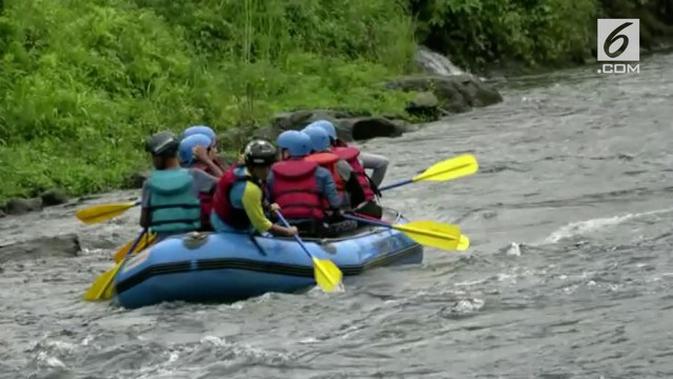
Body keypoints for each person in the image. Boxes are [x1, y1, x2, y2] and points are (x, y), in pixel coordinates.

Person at [267, 130, 356, 237]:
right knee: (352, 223)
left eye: (280, 150)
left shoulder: (272, 173)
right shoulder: (322, 173)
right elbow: (335, 203)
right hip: (313, 226)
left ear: (287, 152)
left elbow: (267, 201)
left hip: (284, 225)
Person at [210, 139, 298, 237]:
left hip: (223, 215)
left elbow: (256, 196)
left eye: (269, 166)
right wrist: (288, 231)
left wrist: (268, 207)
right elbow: (262, 225)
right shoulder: (249, 189)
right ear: (252, 166)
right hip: (229, 227)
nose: (267, 171)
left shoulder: (242, 169)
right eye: (262, 168)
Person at [139, 131, 217, 240]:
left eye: (153, 156)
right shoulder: (195, 175)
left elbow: (144, 222)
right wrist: (209, 162)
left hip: (162, 242)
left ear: (159, 157)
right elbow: (226, 185)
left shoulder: (149, 183)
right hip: (191, 241)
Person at [306, 120, 383, 218]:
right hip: (363, 205)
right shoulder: (344, 161)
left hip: (348, 212)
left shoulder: (305, 167)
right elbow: (382, 163)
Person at [309, 119, 389, 187]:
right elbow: (383, 162)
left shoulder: (311, 159)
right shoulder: (350, 153)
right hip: (359, 198)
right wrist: (372, 188)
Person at [303, 125, 366, 210]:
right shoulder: (341, 163)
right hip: (340, 213)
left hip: (314, 214)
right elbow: (359, 196)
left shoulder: (301, 167)